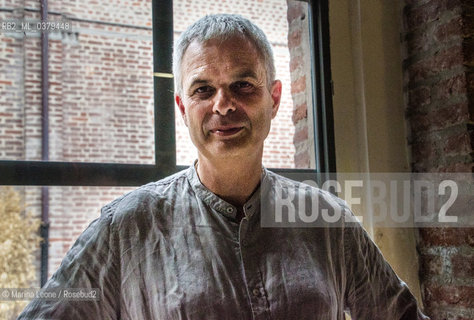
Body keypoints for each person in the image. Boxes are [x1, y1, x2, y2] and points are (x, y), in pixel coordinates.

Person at [19, 14, 429, 320]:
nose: (223, 104)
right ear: (183, 108)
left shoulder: (327, 221)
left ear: (274, 99)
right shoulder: (126, 228)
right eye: (203, 89)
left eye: (243, 85)